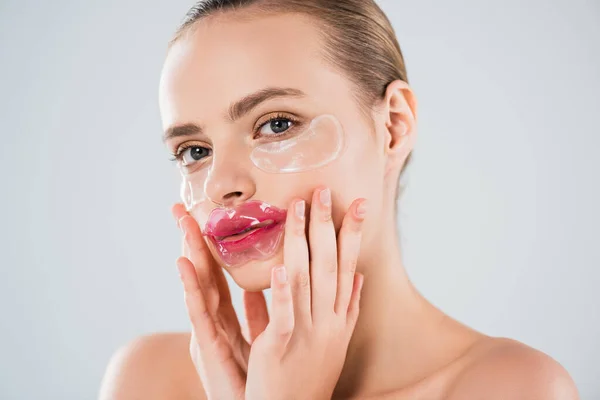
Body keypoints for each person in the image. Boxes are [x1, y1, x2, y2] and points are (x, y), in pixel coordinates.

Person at [99, 1, 579, 399]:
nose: (221, 184)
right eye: (195, 151)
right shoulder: (148, 380)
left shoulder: (511, 386)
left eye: (276, 124)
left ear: (394, 127)